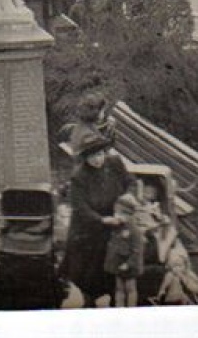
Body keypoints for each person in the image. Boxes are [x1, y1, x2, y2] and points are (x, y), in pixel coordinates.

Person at [59, 129, 135, 307]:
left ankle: (113, 295)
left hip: (116, 218)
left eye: (100, 154)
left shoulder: (115, 163)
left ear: (105, 152)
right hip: (88, 227)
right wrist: (102, 220)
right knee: (89, 269)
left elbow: (130, 181)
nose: (97, 159)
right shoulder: (79, 177)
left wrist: (129, 196)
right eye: (92, 156)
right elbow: (81, 208)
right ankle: (88, 298)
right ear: (85, 158)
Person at [104, 193, 145, 308]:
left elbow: (137, 250)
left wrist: (129, 263)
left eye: (119, 213)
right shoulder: (118, 227)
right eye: (116, 212)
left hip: (129, 265)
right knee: (119, 288)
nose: (116, 215)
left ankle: (131, 308)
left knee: (130, 288)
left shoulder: (134, 229)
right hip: (118, 263)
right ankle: (119, 307)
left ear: (128, 214)